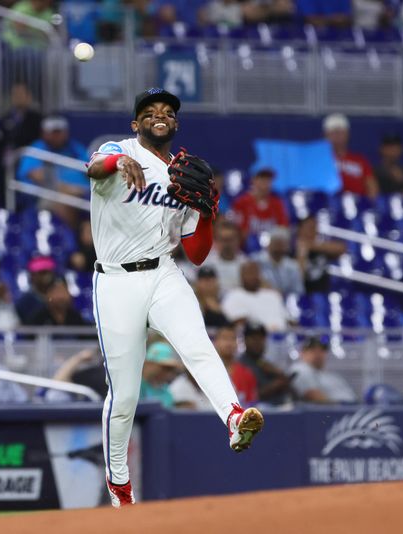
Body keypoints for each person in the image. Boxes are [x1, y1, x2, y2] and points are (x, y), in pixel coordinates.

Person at [86, 87, 264, 507]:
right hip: (115, 280)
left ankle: (235, 418)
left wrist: (206, 211)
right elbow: (95, 168)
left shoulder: (183, 171)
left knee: (198, 346)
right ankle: (119, 483)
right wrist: (119, 161)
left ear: (176, 123)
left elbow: (198, 254)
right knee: (125, 394)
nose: (159, 116)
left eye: (167, 111)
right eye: (150, 112)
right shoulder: (118, 148)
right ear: (137, 123)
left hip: (164, 272)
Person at [17, 115, 89, 228]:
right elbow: (36, 174)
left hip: (82, 194)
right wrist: (67, 189)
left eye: (60, 132)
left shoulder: (75, 147)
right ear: (44, 133)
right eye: (53, 132)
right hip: (46, 195)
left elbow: (89, 170)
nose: (57, 136)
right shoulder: (37, 149)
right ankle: (70, 239)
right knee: (65, 200)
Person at [222, 261, 288, 331]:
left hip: (284, 336)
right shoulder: (233, 296)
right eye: (249, 273)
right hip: (255, 337)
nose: (253, 276)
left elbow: (288, 319)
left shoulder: (273, 295)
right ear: (241, 276)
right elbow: (240, 322)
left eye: (256, 272)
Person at [323, 114, 378, 198]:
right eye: (333, 132)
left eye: (341, 132)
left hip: (356, 206)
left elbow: (372, 186)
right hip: (327, 205)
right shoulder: (319, 160)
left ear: (347, 134)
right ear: (326, 135)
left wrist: (370, 204)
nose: (337, 136)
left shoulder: (359, 160)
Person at [289, 336, 356, 403]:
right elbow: (313, 395)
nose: (318, 354)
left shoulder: (331, 376)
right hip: (330, 411)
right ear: (302, 353)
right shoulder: (300, 369)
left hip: (351, 408)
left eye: (322, 350)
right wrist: (339, 407)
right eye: (313, 350)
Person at [238, 322, 292, 406]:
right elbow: (248, 396)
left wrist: (278, 373)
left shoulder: (265, 363)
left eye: (261, 338)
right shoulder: (240, 365)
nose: (257, 342)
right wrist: (274, 385)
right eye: (253, 338)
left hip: (279, 406)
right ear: (245, 340)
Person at [229, 169, 289, 240]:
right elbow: (237, 229)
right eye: (262, 179)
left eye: (268, 180)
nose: (266, 183)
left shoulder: (277, 203)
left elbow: (283, 227)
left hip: (272, 245)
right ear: (253, 180)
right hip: (246, 246)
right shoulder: (242, 202)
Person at [295, 215, 346, 294]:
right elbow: (297, 277)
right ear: (300, 229)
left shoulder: (320, 248)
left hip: (322, 294)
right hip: (302, 294)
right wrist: (302, 252)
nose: (313, 231)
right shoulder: (292, 248)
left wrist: (310, 246)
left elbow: (341, 248)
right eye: (310, 227)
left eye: (315, 227)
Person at [213, 326, 258, 405]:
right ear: (215, 342)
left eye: (233, 339)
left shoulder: (246, 373)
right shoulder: (208, 371)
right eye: (224, 338)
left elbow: (252, 403)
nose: (229, 343)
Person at [255, 226, 304, 297]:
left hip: (285, 302)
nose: (278, 247)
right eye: (276, 243)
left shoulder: (293, 267)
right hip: (262, 300)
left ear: (287, 246)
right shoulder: (257, 261)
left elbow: (298, 292)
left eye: (281, 244)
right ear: (269, 244)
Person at [200, 220, 247, 294]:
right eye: (223, 240)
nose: (227, 244)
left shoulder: (246, 264)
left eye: (230, 240)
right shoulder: (207, 263)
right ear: (216, 241)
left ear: (238, 240)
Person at [139, 341, 183, 408]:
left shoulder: (166, 391)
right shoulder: (134, 387)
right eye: (164, 368)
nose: (168, 373)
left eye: (171, 369)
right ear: (148, 364)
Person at [0, 83, 43, 149]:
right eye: (15, 94)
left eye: (21, 94)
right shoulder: (5, 118)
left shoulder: (37, 118)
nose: (18, 97)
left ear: (29, 96)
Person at [15, 256, 57, 324]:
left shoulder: (58, 297)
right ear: (33, 276)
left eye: (48, 272)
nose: (46, 276)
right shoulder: (25, 301)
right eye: (42, 273)